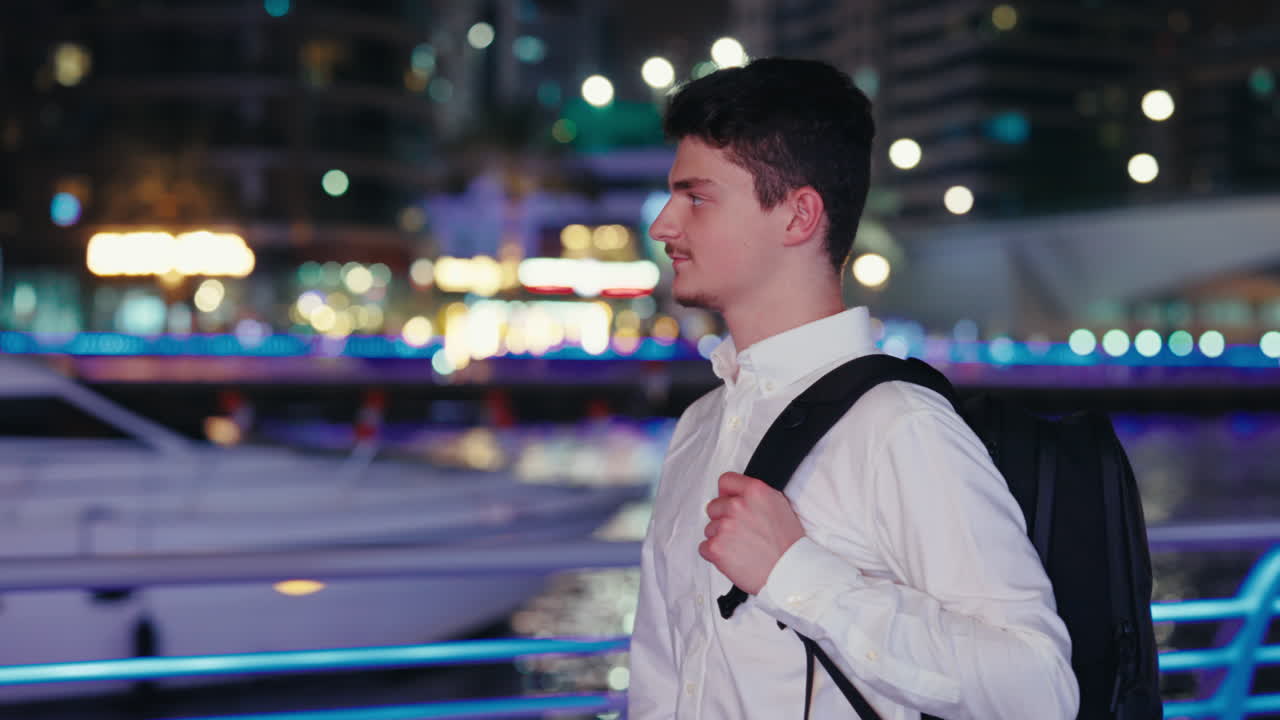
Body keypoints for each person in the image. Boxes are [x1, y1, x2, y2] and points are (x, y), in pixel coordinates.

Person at [627, 57, 1080, 719]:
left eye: (696, 196)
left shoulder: (898, 424)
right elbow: (662, 674)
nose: (664, 225)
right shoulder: (701, 422)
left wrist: (797, 574)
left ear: (797, 215)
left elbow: (1040, 691)